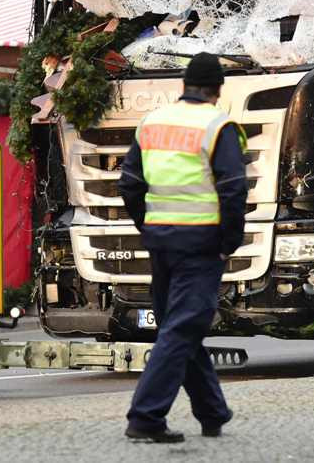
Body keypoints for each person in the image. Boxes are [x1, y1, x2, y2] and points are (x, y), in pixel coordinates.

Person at [119, 52, 248, 443]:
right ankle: (145, 417)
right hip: (201, 242)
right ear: (217, 90)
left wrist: (148, 224)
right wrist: (229, 242)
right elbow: (233, 189)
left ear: (184, 86)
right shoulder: (217, 125)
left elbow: (128, 183)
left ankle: (213, 412)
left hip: (160, 240)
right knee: (182, 327)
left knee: (180, 327)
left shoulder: (152, 122)